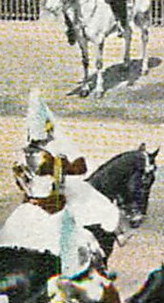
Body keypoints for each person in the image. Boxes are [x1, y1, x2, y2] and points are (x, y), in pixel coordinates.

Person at [18, 90, 122, 240]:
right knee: (89, 235)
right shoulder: (50, 159)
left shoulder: (23, 157)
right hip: (54, 207)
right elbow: (77, 170)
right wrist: (77, 161)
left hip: (28, 206)